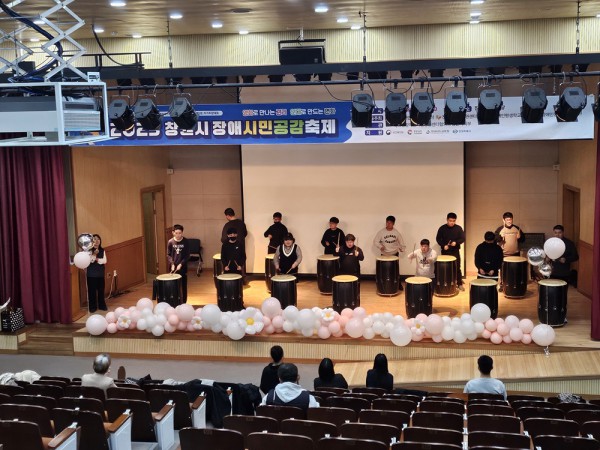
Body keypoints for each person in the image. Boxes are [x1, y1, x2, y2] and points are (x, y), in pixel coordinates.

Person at [373, 215, 406, 290]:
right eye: (387, 222)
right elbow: (375, 241)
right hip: (384, 254)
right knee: (384, 271)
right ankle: (382, 285)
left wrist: (402, 249)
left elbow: (402, 243)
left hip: (394, 254)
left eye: (390, 223)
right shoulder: (381, 232)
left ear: (393, 223)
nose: (388, 224)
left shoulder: (396, 233)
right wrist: (380, 246)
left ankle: (398, 284)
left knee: (395, 270)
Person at [495, 212, 525, 292]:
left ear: (512, 219)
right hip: (504, 254)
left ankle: (515, 285)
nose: (509, 221)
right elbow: (495, 239)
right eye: (507, 220)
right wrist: (500, 237)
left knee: (515, 271)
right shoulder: (500, 229)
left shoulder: (516, 228)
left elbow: (523, 240)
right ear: (503, 220)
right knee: (504, 271)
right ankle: (502, 285)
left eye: (510, 219)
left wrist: (520, 237)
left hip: (515, 254)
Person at [435, 212, 466, 291]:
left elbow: (463, 238)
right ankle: (447, 283)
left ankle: (459, 283)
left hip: (455, 251)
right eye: (450, 221)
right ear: (447, 220)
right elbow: (438, 239)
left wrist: (456, 242)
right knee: (446, 268)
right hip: (445, 252)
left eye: (453, 221)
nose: (452, 222)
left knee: (457, 267)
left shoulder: (458, 228)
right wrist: (443, 245)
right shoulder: (442, 228)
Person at [167, 224, 190, 303]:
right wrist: (172, 264)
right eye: (176, 233)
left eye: (180, 233)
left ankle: (184, 302)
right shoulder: (170, 242)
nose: (178, 235)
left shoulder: (186, 241)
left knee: (183, 285)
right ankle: (174, 302)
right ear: (173, 232)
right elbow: (168, 255)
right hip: (173, 267)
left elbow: (187, 255)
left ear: (182, 233)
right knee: (173, 286)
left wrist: (181, 264)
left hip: (182, 267)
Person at [87, 234, 108, 312]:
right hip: (91, 275)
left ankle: (102, 306)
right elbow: (90, 261)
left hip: (100, 274)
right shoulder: (89, 250)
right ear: (92, 241)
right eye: (95, 239)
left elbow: (104, 261)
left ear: (100, 241)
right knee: (92, 292)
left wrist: (97, 259)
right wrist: (95, 254)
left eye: (98, 239)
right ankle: (92, 307)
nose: (96, 241)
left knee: (101, 291)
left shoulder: (102, 250)